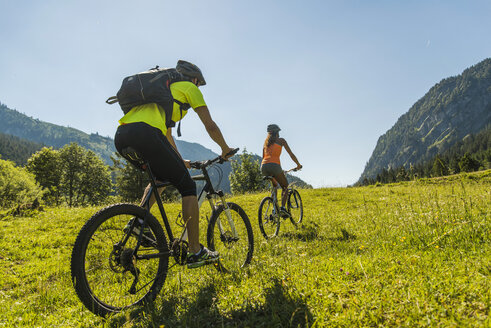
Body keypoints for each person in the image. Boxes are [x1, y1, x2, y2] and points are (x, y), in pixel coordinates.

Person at [114, 60, 235, 268]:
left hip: (123, 135)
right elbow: (210, 125)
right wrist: (225, 149)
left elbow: (168, 137)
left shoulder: (162, 94)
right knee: (188, 187)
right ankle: (195, 251)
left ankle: (138, 222)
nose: (197, 86)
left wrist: (181, 161)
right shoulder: (189, 88)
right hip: (147, 134)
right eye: (198, 83)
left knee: (161, 178)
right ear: (195, 80)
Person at [261, 124, 302, 217]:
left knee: (275, 186)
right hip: (274, 165)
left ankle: (274, 209)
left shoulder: (265, 142)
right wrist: (298, 165)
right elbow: (291, 154)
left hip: (263, 166)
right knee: (285, 187)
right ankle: (283, 208)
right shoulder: (281, 141)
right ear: (278, 132)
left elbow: (264, 157)